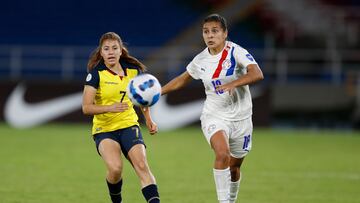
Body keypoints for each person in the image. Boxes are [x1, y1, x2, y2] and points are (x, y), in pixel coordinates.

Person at [161, 14, 264, 203]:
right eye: (206, 31)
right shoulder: (200, 60)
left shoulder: (236, 52)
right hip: (214, 115)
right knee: (222, 153)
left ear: (225, 33)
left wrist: (235, 83)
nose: (210, 35)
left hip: (242, 119)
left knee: (234, 168)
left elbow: (257, 73)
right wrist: (158, 92)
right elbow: (181, 80)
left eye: (215, 31)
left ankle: (231, 200)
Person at [82, 32, 160, 203]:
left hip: (129, 125)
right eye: (106, 49)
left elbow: (142, 97)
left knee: (142, 166)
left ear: (121, 51)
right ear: (101, 53)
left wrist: (148, 119)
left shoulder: (134, 71)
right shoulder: (96, 74)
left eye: (114, 48)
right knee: (116, 169)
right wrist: (110, 107)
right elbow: (86, 108)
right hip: (105, 130)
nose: (110, 52)